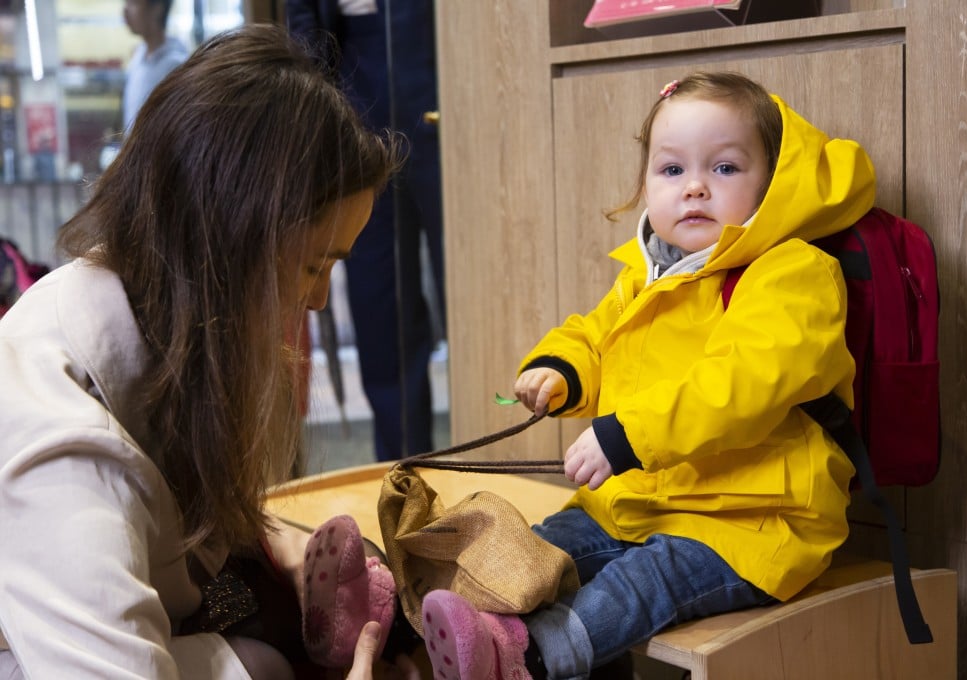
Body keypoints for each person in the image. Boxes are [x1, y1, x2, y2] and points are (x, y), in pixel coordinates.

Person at [418, 71, 878, 679]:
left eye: (724, 169)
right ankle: (428, 625)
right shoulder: (649, 275)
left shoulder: (793, 274)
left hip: (750, 522)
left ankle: (527, 659)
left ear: (771, 183)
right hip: (643, 503)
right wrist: (561, 370)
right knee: (540, 548)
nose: (694, 189)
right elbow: (597, 335)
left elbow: (740, 384)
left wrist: (626, 434)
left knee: (640, 584)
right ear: (645, 184)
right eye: (671, 171)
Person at [0, 24, 414, 679]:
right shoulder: (65, 448)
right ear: (228, 250)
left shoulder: (139, 307)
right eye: (312, 266)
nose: (315, 302)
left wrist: (274, 551)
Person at [286, 0, 445, 461]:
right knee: (380, 311)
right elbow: (305, 32)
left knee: (467, 291)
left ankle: (491, 456)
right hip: (357, 103)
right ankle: (405, 473)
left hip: (443, 80)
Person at [121, 0, 189, 135]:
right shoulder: (138, 57)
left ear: (157, 8)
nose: (125, 10)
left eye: (133, 3)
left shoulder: (174, 66)